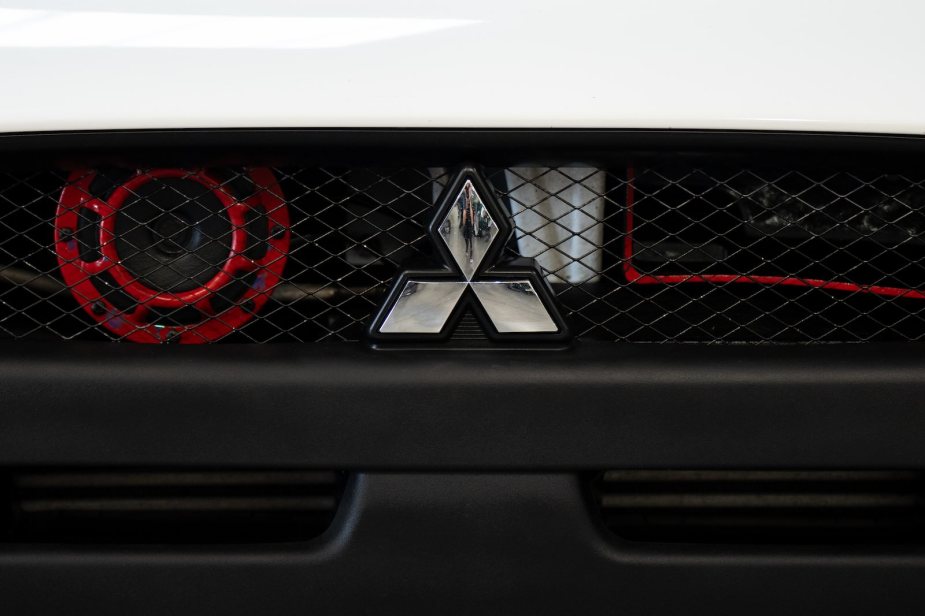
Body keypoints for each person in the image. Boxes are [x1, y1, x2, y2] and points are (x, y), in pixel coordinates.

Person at [461, 183, 476, 262]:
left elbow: (471, 210)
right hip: (466, 222)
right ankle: (466, 249)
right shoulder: (464, 197)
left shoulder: (471, 202)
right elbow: (464, 211)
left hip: (470, 223)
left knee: (471, 240)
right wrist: (463, 224)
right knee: (466, 238)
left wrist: (473, 224)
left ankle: (471, 257)